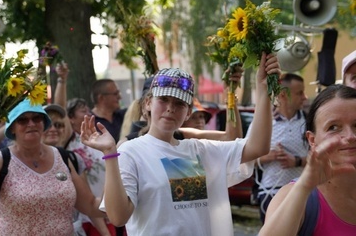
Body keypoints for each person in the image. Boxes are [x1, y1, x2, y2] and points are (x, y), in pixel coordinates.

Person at [80, 52, 280, 236]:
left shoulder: (197, 149)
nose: (170, 109)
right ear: (148, 103)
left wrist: (263, 90)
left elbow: (257, 147)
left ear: (188, 112)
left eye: (179, 104)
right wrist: (110, 153)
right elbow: (118, 217)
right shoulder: (131, 151)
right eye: (164, 100)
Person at [0, 99, 103, 235]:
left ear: (44, 123)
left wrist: (111, 157)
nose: (31, 124)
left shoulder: (62, 157)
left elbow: (91, 206)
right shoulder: (1, 159)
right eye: (22, 120)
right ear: (12, 128)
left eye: (37, 118)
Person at [259, 84, 356, 236]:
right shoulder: (294, 196)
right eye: (333, 127)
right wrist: (304, 187)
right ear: (312, 140)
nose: (350, 136)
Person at [55, 64, 116, 236]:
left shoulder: (96, 139)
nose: (89, 113)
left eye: (89, 109)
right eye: (83, 111)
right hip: (92, 218)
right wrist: (62, 80)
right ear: (71, 118)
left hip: (109, 211)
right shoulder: (69, 140)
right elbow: (59, 110)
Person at [251, 73, 309, 223]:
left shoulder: (309, 122)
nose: (305, 97)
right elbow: (245, 159)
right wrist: (266, 156)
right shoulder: (262, 122)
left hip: (302, 191)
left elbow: (323, 158)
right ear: (283, 95)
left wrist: (297, 161)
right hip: (270, 193)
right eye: (299, 93)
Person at [91, 79, 127, 143]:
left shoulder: (124, 115)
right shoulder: (90, 122)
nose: (119, 97)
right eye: (115, 94)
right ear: (101, 98)